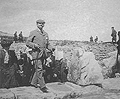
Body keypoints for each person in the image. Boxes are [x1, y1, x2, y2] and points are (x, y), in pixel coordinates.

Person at [26, 19, 53, 93]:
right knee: (39, 69)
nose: (41, 25)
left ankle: (33, 83)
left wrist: (51, 48)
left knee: (39, 69)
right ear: (37, 24)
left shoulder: (45, 34)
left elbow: (47, 44)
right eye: (39, 23)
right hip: (36, 54)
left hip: (43, 54)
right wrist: (34, 45)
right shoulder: (33, 32)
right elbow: (27, 42)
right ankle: (43, 86)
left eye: (42, 23)